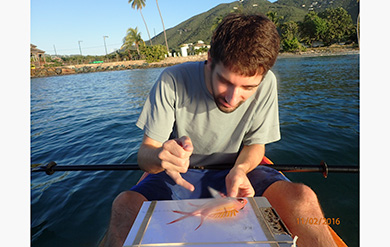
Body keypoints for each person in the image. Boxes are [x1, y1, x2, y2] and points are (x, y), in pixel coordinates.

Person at [100, 13, 336, 247]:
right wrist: (161, 156)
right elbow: (145, 155)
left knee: (303, 199)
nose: (233, 98)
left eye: (248, 87)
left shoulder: (268, 83)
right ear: (210, 59)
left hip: (238, 171)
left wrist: (241, 169)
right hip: (180, 176)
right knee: (124, 205)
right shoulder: (171, 80)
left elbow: (256, 145)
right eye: (226, 81)